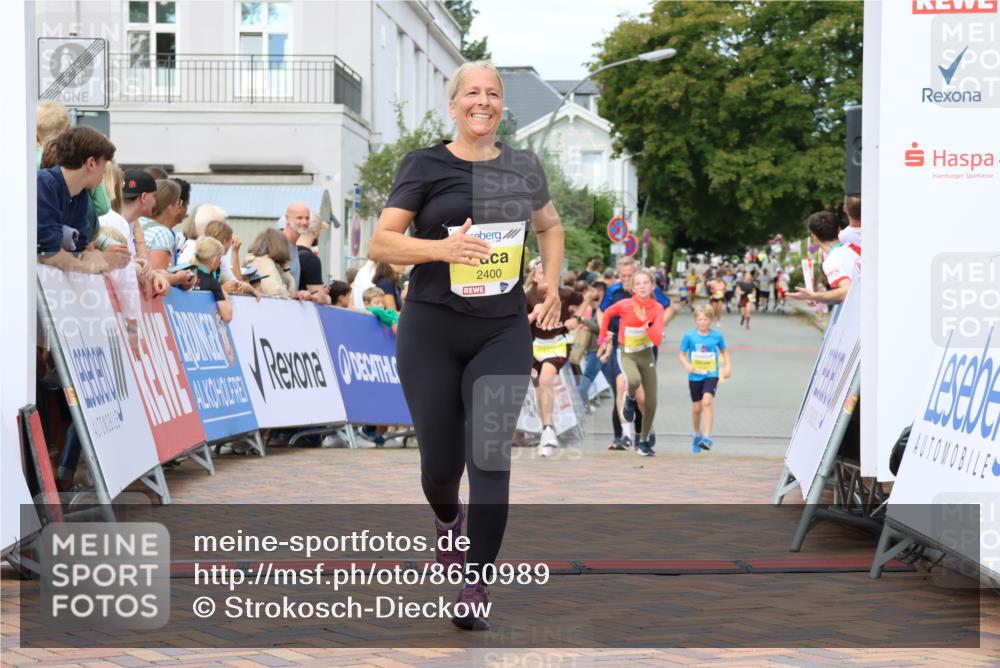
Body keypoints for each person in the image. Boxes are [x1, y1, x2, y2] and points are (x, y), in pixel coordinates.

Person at [367, 59, 563, 631]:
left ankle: (474, 582)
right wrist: (443, 251)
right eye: (471, 93)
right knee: (440, 467)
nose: (483, 101)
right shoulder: (424, 164)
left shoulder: (524, 166)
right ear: (453, 106)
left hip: (502, 329)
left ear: (503, 106)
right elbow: (383, 243)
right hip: (431, 326)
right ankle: (448, 520)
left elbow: (549, 226)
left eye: (493, 93)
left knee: (491, 458)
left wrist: (549, 277)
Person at [599, 256, 674, 450]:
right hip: (621, 346)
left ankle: (646, 430)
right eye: (623, 275)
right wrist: (604, 336)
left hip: (646, 347)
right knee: (622, 384)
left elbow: (669, 308)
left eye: (630, 275)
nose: (627, 278)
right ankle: (624, 436)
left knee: (641, 396)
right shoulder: (613, 291)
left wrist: (657, 326)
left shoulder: (650, 290)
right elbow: (602, 312)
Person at [36, 127, 128, 275]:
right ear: (91, 163)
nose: (104, 173)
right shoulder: (44, 183)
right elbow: (49, 252)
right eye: (104, 165)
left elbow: (79, 247)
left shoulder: (81, 195)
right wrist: (89, 266)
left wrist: (95, 256)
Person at [524, 258, 583, 456]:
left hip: (557, 344)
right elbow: (517, 324)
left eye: (548, 273)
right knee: (540, 388)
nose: (544, 277)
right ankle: (546, 431)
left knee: (546, 378)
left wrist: (577, 319)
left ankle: (548, 430)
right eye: (540, 273)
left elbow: (584, 300)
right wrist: (533, 315)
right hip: (535, 347)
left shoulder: (563, 293)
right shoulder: (527, 297)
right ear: (534, 275)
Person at [679, 304, 732, 453]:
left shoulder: (716, 336)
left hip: (711, 374)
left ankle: (707, 437)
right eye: (700, 319)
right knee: (697, 408)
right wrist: (687, 364)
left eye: (706, 319)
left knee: (706, 402)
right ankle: (697, 433)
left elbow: (725, 351)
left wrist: (728, 366)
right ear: (695, 320)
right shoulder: (689, 336)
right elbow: (682, 354)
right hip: (695, 375)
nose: (703, 322)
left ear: (711, 320)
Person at [789, 210, 861, 305]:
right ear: (839, 230)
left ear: (814, 236)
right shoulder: (854, 247)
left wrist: (814, 296)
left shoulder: (831, 261)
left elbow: (846, 291)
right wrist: (819, 299)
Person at [191, 237, 236, 323]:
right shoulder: (213, 283)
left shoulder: (186, 275)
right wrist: (223, 291)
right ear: (215, 260)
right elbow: (227, 316)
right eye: (220, 258)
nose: (220, 262)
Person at [245, 228, 297, 298]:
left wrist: (286, 268)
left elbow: (292, 294)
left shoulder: (274, 264)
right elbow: (276, 292)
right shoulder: (262, 262)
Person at [281, 202, 310, 288]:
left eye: (307, 218)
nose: (304, 222)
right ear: (287, 219)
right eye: (299, 218)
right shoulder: (277, 244)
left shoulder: (294, 246)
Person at [297, 212, 326, 291]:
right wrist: (327, 298)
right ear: (315, 232)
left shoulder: (284, 252)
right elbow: (317, 296)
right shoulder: (310, 259)